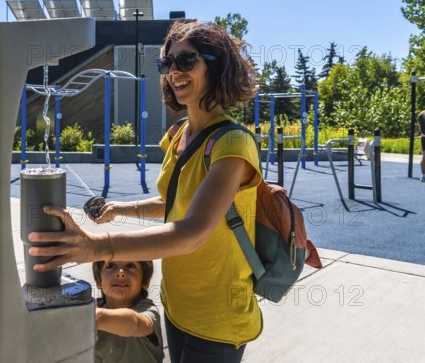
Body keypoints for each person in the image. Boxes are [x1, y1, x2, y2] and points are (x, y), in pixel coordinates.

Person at [29, 21, 262, 362]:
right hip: (177, 304)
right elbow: (174, 204)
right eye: (166, 63)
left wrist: (98, 247)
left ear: (216, 64)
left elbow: (192, 232)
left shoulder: (233, 143)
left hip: (217, 316)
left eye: (186, 61)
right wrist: (120, 209)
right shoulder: (178, 135)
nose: (173, 72)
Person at [92, 259, 164, 362]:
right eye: (111, 265)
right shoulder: (94, 308)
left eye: (130, 266)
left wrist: (96, 317)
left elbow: (135, 324)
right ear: (99, 281)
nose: (120, 272)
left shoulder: (147, 310)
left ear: (144, 282)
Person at [419, 110, 425, 182]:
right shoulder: (422, 115)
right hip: (424, 138)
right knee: (424, 157)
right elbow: (422, 130)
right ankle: (423, 175)